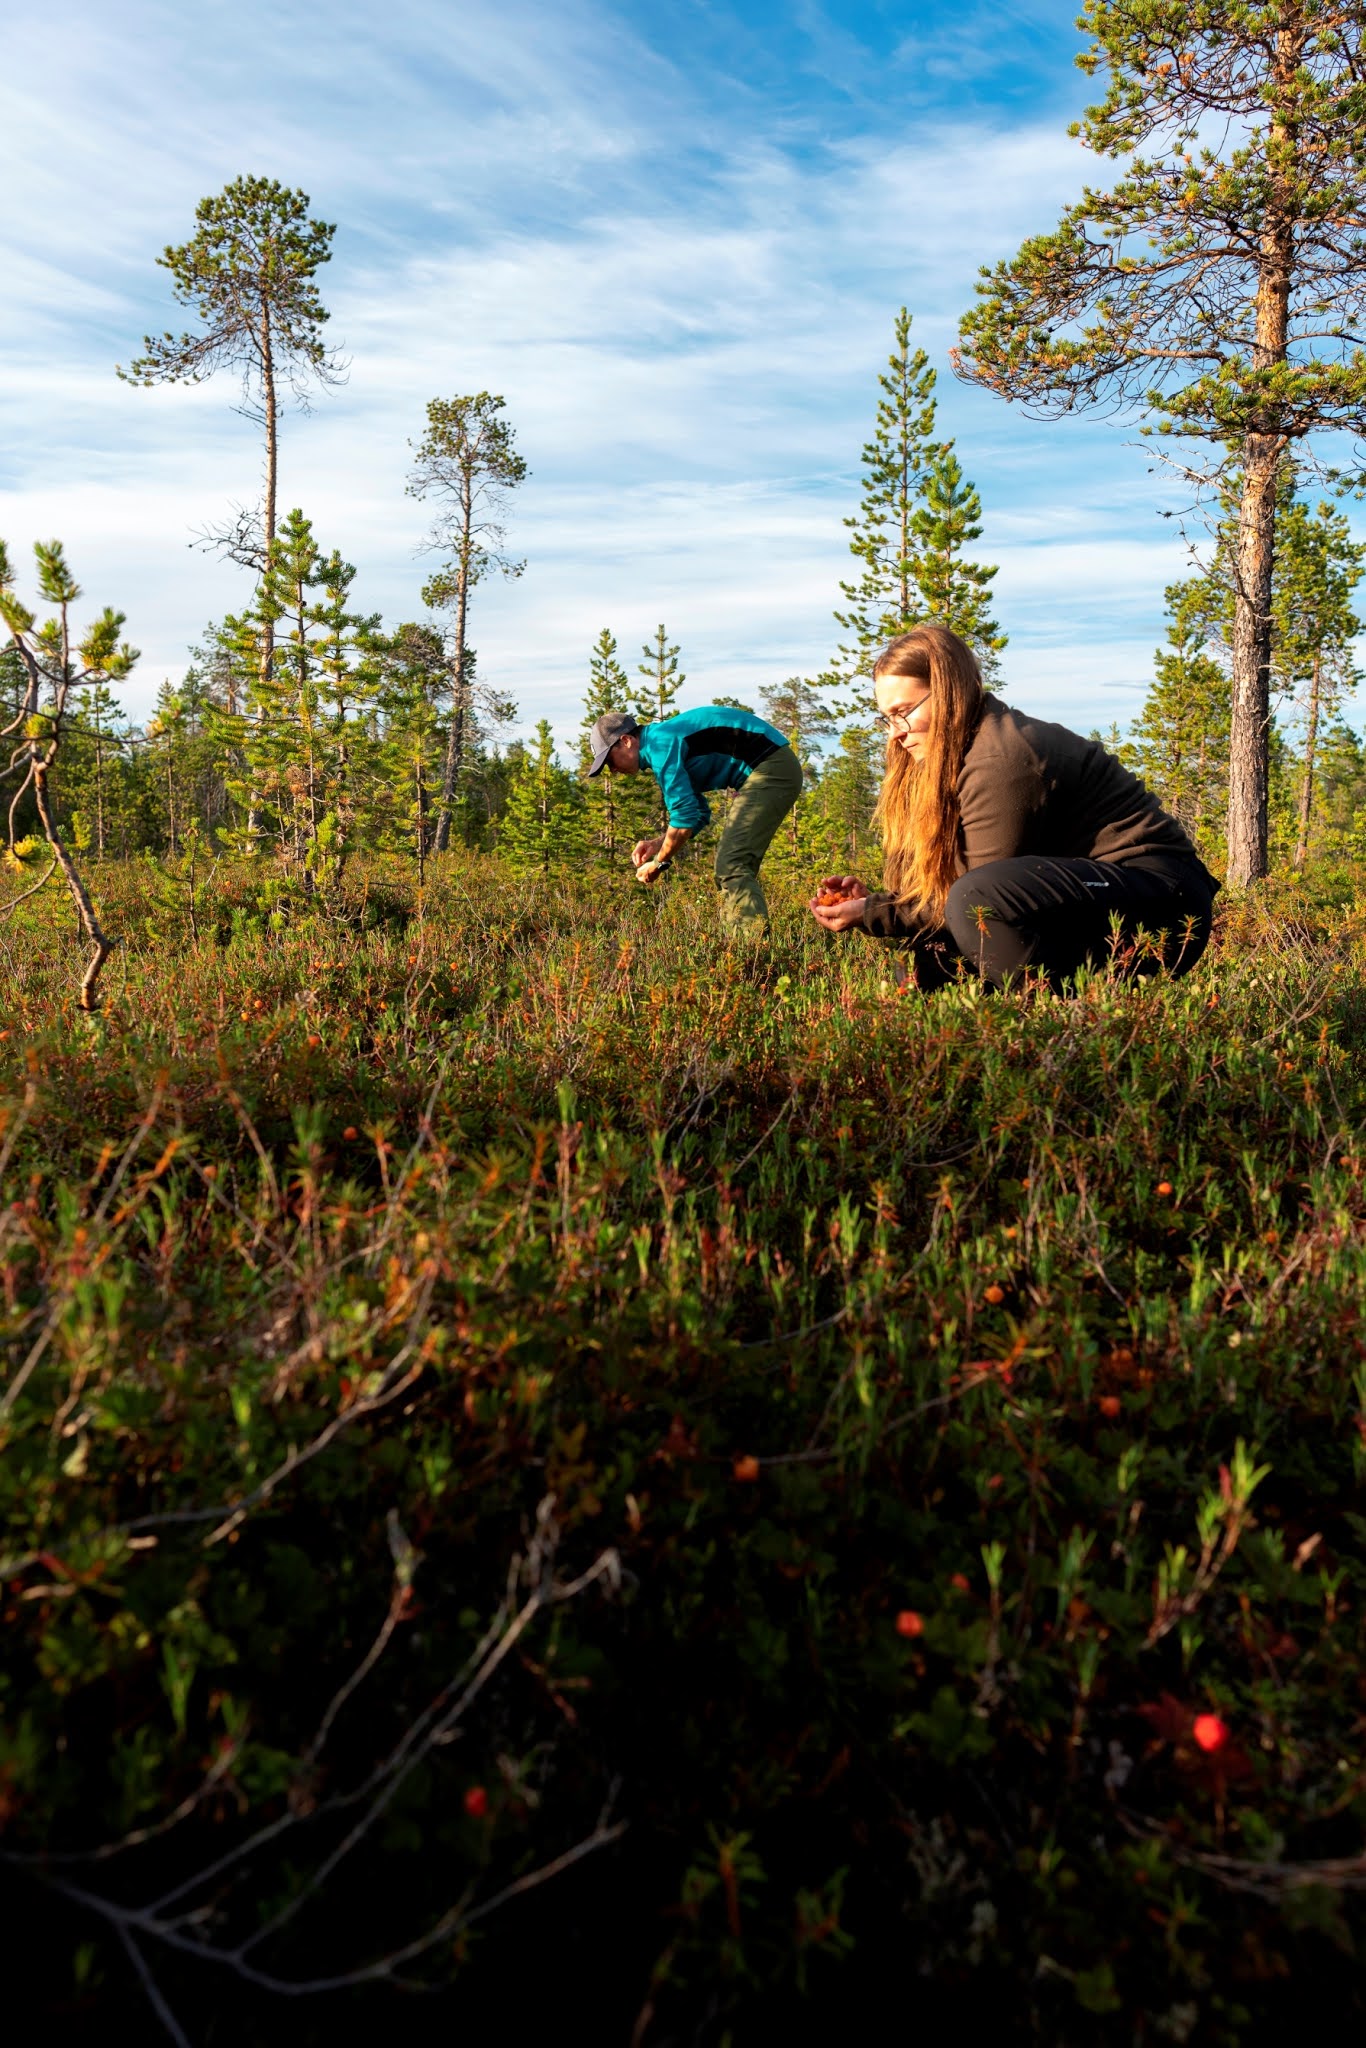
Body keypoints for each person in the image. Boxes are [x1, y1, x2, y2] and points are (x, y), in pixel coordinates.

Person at [809, 623, 1217, 991]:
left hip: (1164, 904)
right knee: (929, 966)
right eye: (886, 719)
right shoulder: (955, 757)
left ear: (949, 693)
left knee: (975, 900)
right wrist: (881, 902)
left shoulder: (1001, 759)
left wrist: (873, 911)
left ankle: (1068, 1033)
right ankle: (1006, 1049)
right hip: (1094, 901)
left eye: (903, 712)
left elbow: (970, 893)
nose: (896, 733)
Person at [585, 704, 803, 938]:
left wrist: (659, 863)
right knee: (730, 865)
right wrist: (659, 843)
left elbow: (684, 819)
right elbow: (698, 813)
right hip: (768, 768)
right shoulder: (660, 745)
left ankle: (753, 952)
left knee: (732, 864)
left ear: (626, 740)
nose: (613, 770)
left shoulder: (660, 743)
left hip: (771, 767)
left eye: (609, 761)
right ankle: (740, 946)